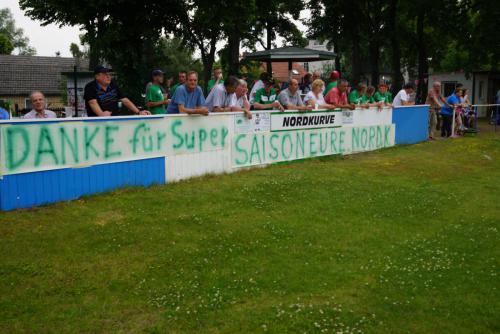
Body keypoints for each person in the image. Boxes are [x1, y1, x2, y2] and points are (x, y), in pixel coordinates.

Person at [84, 65, 150, 117]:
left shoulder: (113, 85)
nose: (108, 76)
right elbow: (92, 102)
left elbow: (125, 100)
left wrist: (139, 112)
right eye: (105, 74)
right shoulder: (90, 87)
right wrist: (101, 114)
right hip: (96, 124)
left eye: (109, 74)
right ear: (97, 76)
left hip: (114, 121)